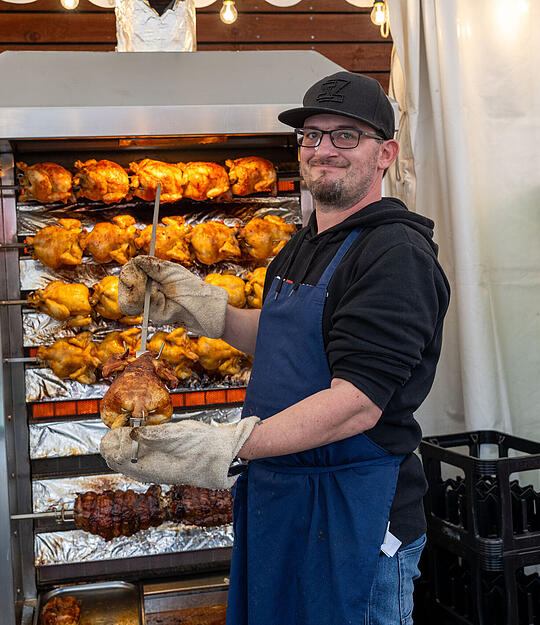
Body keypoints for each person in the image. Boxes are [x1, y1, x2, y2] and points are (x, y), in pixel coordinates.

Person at [100, 71, 450, 625]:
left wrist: (226, 446)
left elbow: (358, 400)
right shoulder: (301, 246)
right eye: (311, 135)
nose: (323, 150)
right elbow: (286, 337)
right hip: (281, 500)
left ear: (386, 153)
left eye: (345, 136)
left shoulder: (394, 254)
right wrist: (204, 310)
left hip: (351, 512)